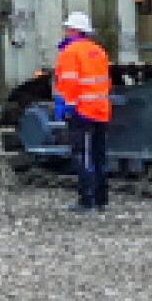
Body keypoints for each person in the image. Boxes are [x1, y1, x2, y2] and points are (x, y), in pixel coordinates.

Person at [53, 11, 112, 213]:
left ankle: (87, 199)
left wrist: (66, 108)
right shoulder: (99, 51)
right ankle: (101, 198)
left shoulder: (70, 52)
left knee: (83, 156)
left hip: (82, 112)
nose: (65, 31)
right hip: (101, 110)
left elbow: (69, 84)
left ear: (74, 30)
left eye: (68, 27)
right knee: (99, 155)